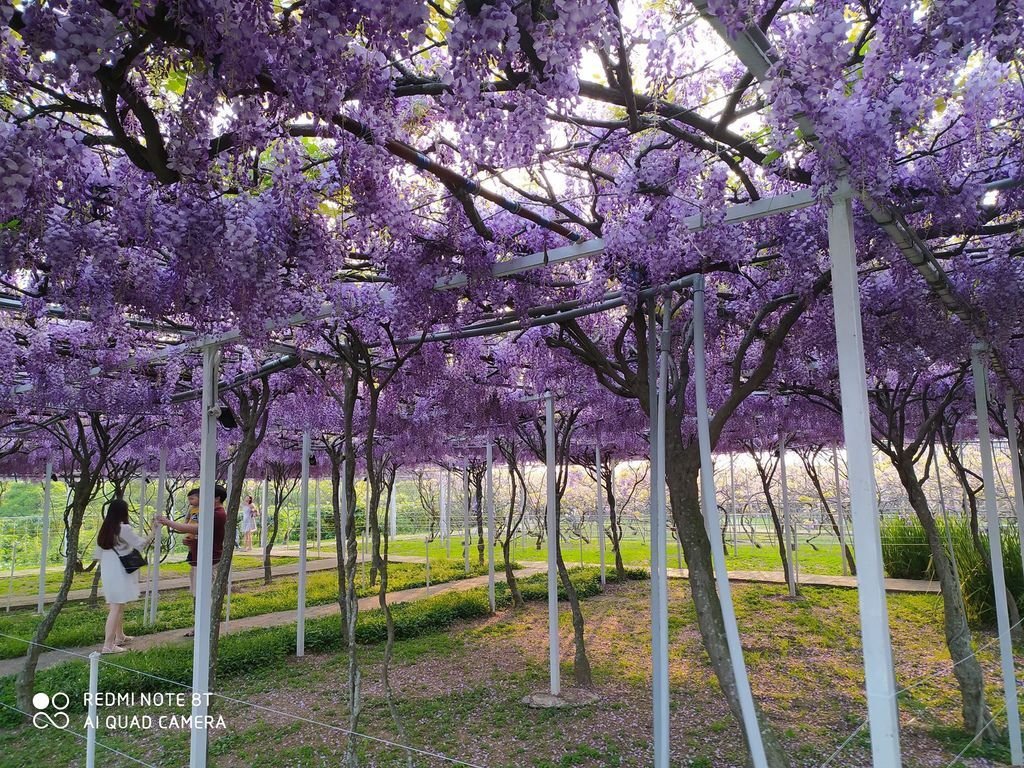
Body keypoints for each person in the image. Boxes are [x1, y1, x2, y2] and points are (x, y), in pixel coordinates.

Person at [157, 485, 228, 637]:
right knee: (197, 595)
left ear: (217, 498)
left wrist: (167, 522)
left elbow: (196, 529)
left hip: (209, 560)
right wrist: (192, 542)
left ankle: (206, 628)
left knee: (205, 596)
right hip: (199, 559)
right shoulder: (209, 512)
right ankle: (200, 627)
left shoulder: (218, 514)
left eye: (207, 495)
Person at [95, 499, 155, 654]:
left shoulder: (105, 528)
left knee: (118, 604)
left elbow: (97, 554)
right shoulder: (123, 528)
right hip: (119, 569)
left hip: (108, 567)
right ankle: (108, 645)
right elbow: (140, 544)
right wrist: (154, 531)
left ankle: (119, 636)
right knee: (116, 606)